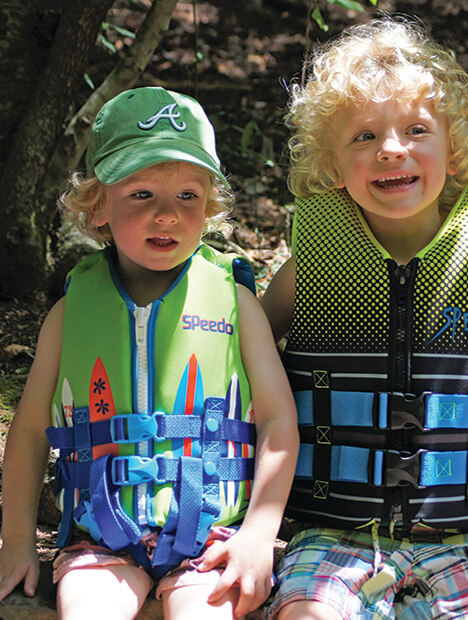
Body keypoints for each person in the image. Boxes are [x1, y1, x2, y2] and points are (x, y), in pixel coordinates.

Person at [259, 18, 468, 619]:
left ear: (452, 149)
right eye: (363, 137)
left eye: (416, 130)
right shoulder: (315, 264)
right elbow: (239, 350)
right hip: (333, 536)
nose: (390, 148)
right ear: (333, 165)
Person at [0, 87, 298, 619]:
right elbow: (26, 432)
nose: (167, 215)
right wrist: (17, 538)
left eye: (187, 195)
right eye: (141, 195)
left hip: (212, 539)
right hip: (99, 542)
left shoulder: (235, 302)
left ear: (208, 206)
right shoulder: (71, 312)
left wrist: (258, 533)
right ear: (97, 208)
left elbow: (277, 421)